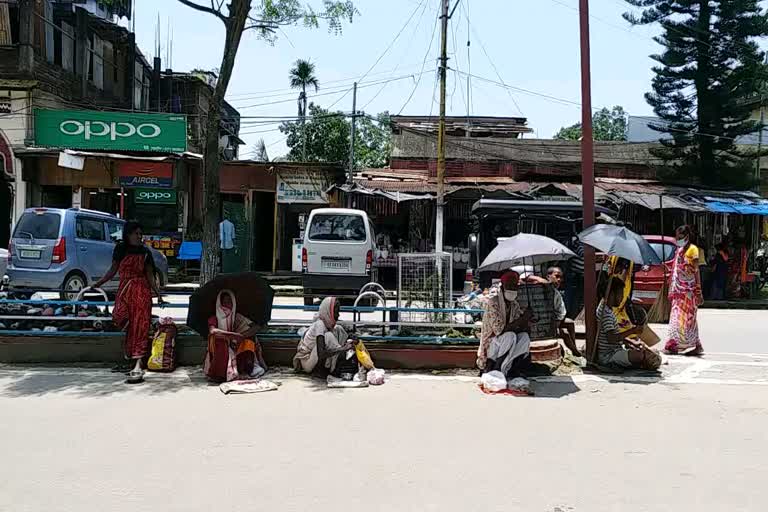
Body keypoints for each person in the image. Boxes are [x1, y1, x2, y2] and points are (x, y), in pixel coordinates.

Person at [92, 221, 165, 381]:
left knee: (140, 326)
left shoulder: (145, 253)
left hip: (141, 292)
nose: (139, 236)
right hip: (125, 290)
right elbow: (113, 270)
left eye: (140, 234)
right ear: (128, 234)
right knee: (120, 317)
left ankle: (137, 363)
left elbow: (150, 275)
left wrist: (158, 293)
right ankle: (131, 358)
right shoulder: (121, 249)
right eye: (136, 233)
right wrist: (99, 283)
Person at [597, 277, 661, 371]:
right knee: (639, 355)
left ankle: (643, 358)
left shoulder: (607, 309)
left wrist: (632, 342)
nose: (622, 298)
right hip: (609, 355)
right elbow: (612, 338)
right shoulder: (606, 314)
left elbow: (616, 336)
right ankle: (643, 362)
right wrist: (633, 330)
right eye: (620, 294)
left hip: (616, 350)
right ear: (611, 294)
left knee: (642, 348)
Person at [477, 270, 532, 378]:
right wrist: (521, 320)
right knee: (509, 336)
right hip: (491, 342)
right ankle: (495, 367)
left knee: (524, 337)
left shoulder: (514, 305)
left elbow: (518, 327)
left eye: (514, 286)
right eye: (509, 286)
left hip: (505, 341)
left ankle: (513, 368)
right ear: (502, 287)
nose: (512, 289)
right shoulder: (493, 302)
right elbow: (499, 330)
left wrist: (527, 320)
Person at [204, 290, 266, 382]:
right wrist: (233, 336)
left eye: (229, 302)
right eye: (224, 302)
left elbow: (256, 327)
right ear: (219, 304)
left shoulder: (237, 317)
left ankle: (245, 370)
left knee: (249, 341)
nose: (227, 305)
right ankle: (221, 373)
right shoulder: (214, 317)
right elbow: (213, 331)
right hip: (222, 348)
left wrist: (241, 336)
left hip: (236, 345)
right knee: (220, 342)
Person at [293, 296, 361, 379]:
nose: (338, 315)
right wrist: (343, 349)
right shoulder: (320, 324)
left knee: (338, 329)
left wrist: (352, 339)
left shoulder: (328, 323)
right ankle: (321, 370)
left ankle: (334, 366)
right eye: (336, 312)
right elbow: (321, 353)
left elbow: (342, 335)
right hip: (307, 362)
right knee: (328, 337)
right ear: (329, 312)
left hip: (314, 356)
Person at [525, 267, 581, 357]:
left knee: (570, 323)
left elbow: (561, 312)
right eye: (557, 276)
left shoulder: (556, 293)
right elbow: (525, 277)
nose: (559, 280)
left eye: (561, 277)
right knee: (564, 333)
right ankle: (575, 351)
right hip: (539, 322)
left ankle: (574, 349)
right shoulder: (538, 288)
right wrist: (540, 279)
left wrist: (557, 323)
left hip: (553, 320)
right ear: (548, 276)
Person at [665, 225, 704, 355]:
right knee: (676, 317)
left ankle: (694, 344)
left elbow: (696, 271)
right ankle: (674, 343)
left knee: (689, 319)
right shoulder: (679, 250)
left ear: (687, 237)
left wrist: (699, 291)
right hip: (678, 291)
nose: (678, 239)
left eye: (680, 237)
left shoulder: (693, 250)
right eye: (677, 237)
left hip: (689, 291)